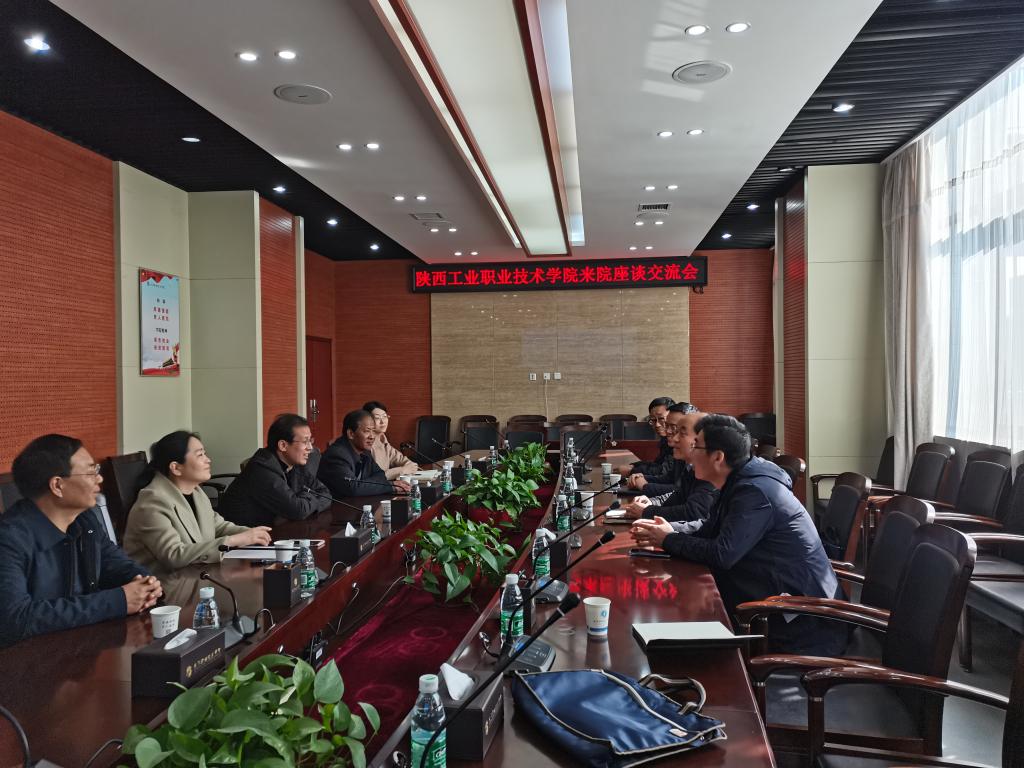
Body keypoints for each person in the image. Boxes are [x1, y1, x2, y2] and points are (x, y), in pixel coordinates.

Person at [630, 414, 845, 655]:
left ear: (718, 457)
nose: (691, 451)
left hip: (800, 622)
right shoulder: (738, 481)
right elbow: (710, 528)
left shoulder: (755, 492)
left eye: (697, 446)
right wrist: (669, 530)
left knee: (682, 632)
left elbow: (722, 554)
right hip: (766, 599)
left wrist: (669, 539)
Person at [0, 434, 162, 646]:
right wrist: (118, 601)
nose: (99, 479)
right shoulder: (9, 539)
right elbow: (15, 620)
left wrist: (145, 585)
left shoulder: (85, 521)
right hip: (28, 659)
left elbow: (116, 564)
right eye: (90, 471)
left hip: (80, 648)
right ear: (57, 485)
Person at [123, 431, 271, 574]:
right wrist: (233, 540)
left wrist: (251, 534)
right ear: (176, 468)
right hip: (161, 584)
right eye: (200, 455)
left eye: (205, 453)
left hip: (194, 576)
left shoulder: (196, 492)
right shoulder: (152, 502)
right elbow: (173, 555)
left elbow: (217, 527)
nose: (208, 460)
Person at [219, 414, 333, 527]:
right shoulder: (262, 469)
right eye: (305, 442)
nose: (310, 448)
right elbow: (298, 510)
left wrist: (303, 502)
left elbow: (325, 494)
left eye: (310, 441)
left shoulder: (294, 464)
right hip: (242, 534)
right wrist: (307, 499)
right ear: (283, 445)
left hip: (275, 530)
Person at [622, 406, 717, 524]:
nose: (671, 434)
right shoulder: (691, 467)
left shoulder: (711, 470)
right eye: (668, 426)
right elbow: (678, 495)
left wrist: (648, 509)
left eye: (681, 432)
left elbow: (694, 513)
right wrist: (652, 502)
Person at [319, 410, 411, 497]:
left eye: (373, 431)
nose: (372, 436)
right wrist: (389, 486)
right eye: (367, 431)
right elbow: (353, 488)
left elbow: (380, 475)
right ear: (351, 434)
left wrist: (364, 485)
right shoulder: (336, 455)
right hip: (335, 506)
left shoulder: (365, 451)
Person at [614, 397, 678, 477]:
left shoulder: (678, 441)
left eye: (661, 418)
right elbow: (658, 464)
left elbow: (664, 471)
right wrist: (634, 466)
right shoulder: (665, 439)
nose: (657, 425)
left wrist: (631, 471)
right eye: (653, 420)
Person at [363, 401, 418, 480]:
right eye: (377, 418)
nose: (382, 422)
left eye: (384, 416)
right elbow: (373, 478)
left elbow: (406, 462)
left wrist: (408, 467)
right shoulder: (365, 444)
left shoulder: (382, 440)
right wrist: (402, 470)